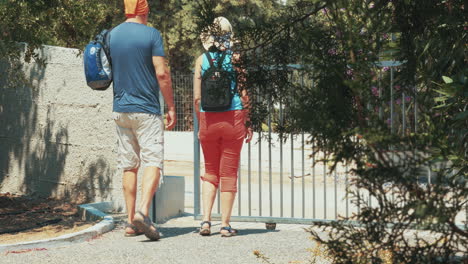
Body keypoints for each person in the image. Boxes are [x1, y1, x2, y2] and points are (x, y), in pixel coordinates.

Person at [110, 0, 176, 240]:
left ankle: (130, 222)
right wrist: (170, 106)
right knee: (153, 160)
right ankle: (143, 213)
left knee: (129, 165)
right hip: (146, 110)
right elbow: (161, 72)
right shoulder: (151, 34)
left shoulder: (112, 35)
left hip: (120, 110)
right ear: (144, 10)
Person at [193, 17, 253, 237]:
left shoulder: (201, 60)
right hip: (234, 117)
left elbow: (197, 98)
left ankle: (205, 221)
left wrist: (203, 123)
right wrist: (248, 121)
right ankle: (225, 225)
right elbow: (245, 94)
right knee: (228, 173)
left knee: (210, 171)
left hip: (208, 118)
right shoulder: (236, 59)